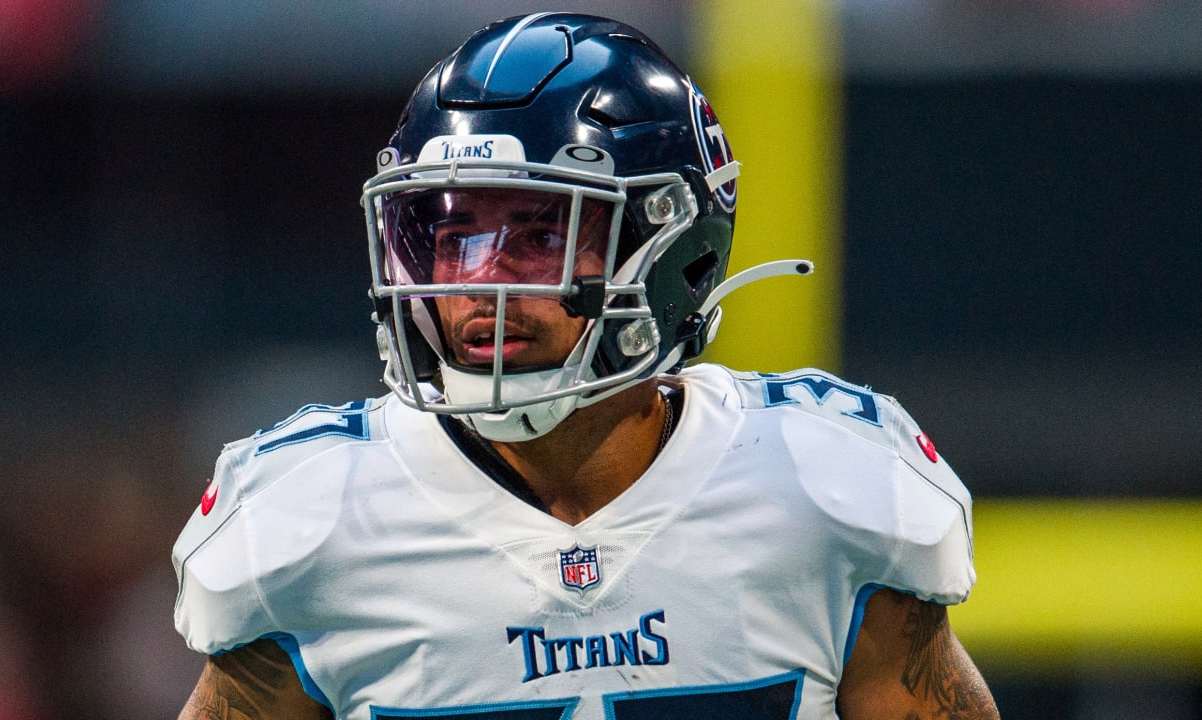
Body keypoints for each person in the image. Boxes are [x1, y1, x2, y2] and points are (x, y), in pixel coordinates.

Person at [173, 12, 999, 720]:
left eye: (539, 235)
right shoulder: (311, 520)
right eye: (455, 235)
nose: (480, 284)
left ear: (671, 248)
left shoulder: (822, 490)